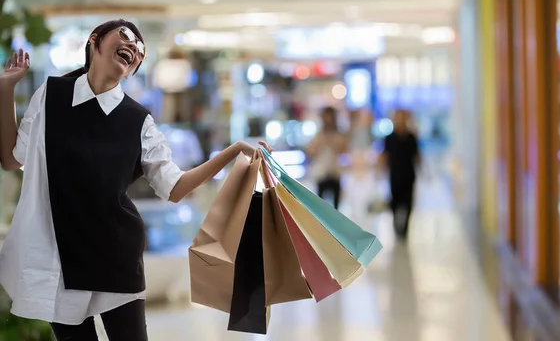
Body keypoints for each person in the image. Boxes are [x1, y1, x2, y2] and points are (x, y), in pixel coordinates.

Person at [0, 19, 272, 341]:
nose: (133, 47)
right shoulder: (51, 95)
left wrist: (234, 151)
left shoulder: (138, 119)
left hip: (115, 254)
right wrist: (5, 88)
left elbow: (174, 188)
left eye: (140, 50)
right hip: (58, 257)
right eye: (125, 35)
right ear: (95, 41)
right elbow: (11, 158)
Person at [378, 109, 420, 239]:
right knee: (395, 201)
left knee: (408, 202)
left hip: (409, 174)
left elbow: (417, 155)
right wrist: (379, 169)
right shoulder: (390, 138)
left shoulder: (411, 137)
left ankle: (405, 228)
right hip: (395, 174)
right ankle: (396, 225)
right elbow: (385, 155)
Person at [306, 106, 348, 210]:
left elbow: (344, 150)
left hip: (335, 173)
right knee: (320, 206)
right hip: (322, 173)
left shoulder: (339, 134)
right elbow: (311, 152)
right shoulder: (319, 135)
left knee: (337, 206)